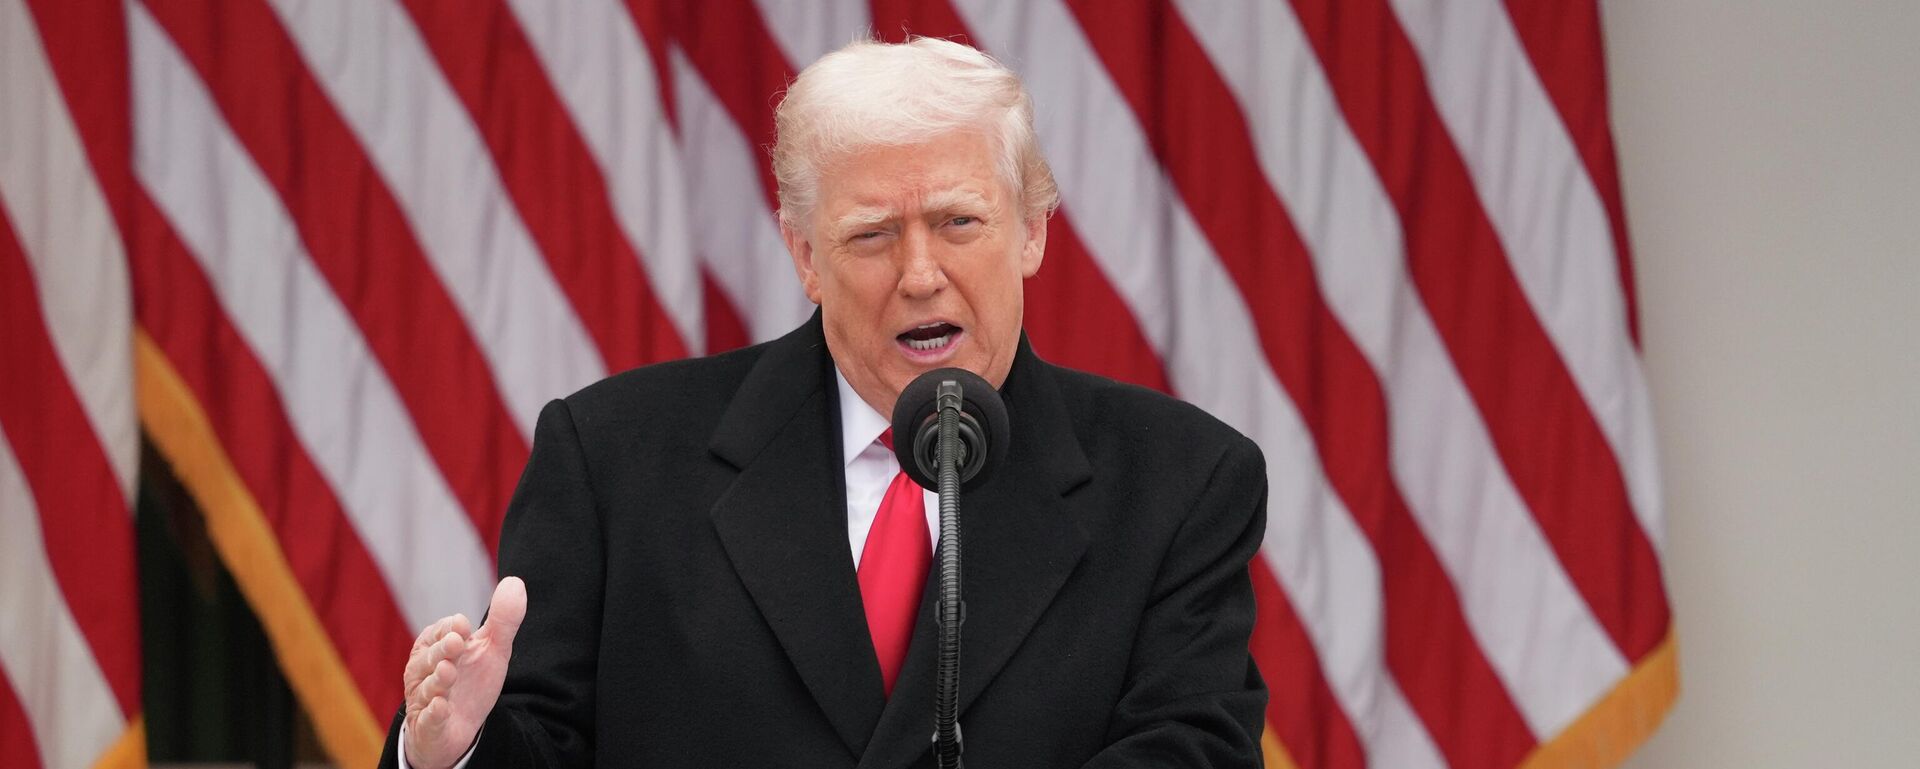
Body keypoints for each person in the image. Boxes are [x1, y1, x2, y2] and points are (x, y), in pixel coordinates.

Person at [381, 36, 1268, 769]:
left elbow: (1195, 749)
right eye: (872, 235)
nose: (920, 274)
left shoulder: (1181, 482)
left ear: (1032, 230)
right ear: (806, 255)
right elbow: (540, 743)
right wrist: (449, 752)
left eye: (959, 222)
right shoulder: (614, 457)